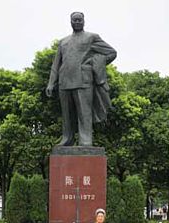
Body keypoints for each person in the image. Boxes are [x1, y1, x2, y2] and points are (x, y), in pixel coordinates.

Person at [46, 12, 117, 146]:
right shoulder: (63, 42)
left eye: (79, 20)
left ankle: (85, 140)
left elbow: (111, 53)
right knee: (66, 115)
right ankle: (67, 138)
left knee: (84, 113)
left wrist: (95, 63)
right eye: (74, 20)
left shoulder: (92, 37)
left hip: (83, 80)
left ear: (84, 21)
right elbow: (56, 64)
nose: (77, 22)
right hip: (64, 81)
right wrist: (51, 83)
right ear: (70, 22)